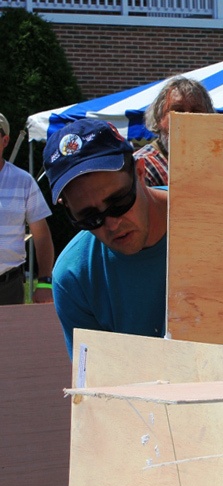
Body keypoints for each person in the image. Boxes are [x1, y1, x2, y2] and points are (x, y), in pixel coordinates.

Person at [44, 118, 168, 358]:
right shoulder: (74, 277)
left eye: (119, 202)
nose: (111, 223)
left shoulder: (204, 221)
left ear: (140, 172)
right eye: (89, 217)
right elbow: (96, 385)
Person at [0, 112, 55, 305]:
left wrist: (45, 283)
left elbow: (41, 235)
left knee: (10, 336)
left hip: (8, 288)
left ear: (5, 140)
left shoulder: (23, 181)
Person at [134, 76, 215, 188]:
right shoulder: (143, 165)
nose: (187, 117)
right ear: (159, 118)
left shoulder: (217, 163)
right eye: (178, 110)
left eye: (196, 110)